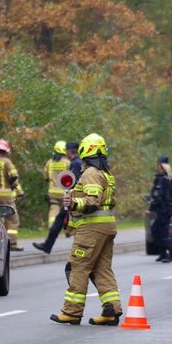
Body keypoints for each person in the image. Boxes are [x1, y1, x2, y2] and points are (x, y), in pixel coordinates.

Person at [50, 133, 122, 326]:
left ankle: (72, 312)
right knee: (102, 268)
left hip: (92, 229)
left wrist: (73, 202)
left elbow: (92, 202)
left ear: (86, 150)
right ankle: (111, 310)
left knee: (78, 267)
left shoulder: (91, 172)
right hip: (107, 228)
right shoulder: (106, 173)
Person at [32, 140, 81, 253]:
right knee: (60, 220)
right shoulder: (72, 162)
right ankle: (47, 245)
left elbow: (73, 181)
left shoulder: (75, 163)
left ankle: (50, 245)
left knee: (69, 222)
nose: (66, 153)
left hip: (71, 198)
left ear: (70, 151)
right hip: (69, 197)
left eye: (67, 151)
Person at [148, 155, 172, 262]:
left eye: (159, 165)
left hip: (164, 210)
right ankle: (164, 253)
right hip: (166, 209)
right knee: (157, 230)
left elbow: (158, 196)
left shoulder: (162, 179)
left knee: (161, 231)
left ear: (162, 166)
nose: (157, 167)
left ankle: (171, 254)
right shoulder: (169, 179)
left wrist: (151, 208)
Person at [42, 141, 70, 228]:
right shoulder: (67, 162)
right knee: (67, 210)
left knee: (54, 209)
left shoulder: (49, 162)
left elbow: (45, 177)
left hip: (52, 192)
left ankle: (52, 226)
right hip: (64, 192)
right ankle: (68, 228)